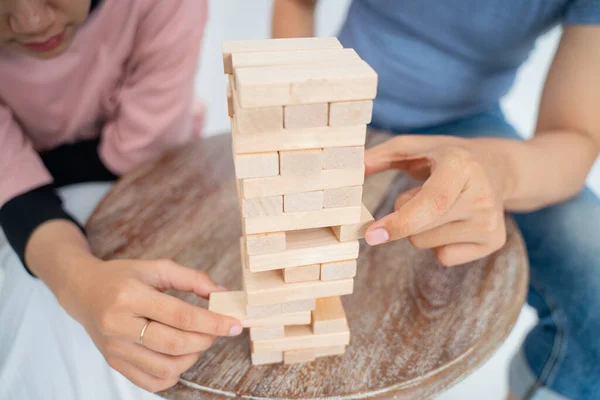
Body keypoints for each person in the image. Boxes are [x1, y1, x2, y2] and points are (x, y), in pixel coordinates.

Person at [272, 1, 600, 400]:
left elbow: (576, 138)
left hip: (470, 129)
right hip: (335, 101)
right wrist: (301, 116)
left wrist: (499, 170)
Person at [0, 1, 243, 399]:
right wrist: (81, 284)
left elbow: (140, 150)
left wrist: (31, 169)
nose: (31, 22)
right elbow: (14, 190)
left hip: (154, 174)